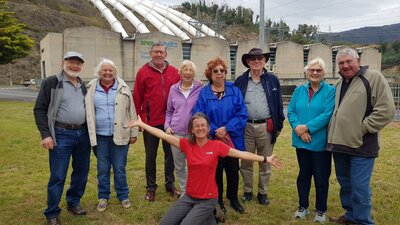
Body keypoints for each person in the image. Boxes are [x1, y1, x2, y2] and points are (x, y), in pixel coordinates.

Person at [129, 112, 281, 225]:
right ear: (192, 130)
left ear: (208, 128)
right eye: (196, 126)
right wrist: (142, 125)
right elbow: (162, 134)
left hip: (208, 198)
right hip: (189, 196)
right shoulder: (187, 145)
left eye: (203, 125)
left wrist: (266, 159)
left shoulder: (217, 146)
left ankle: (212, 211)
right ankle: (210, 216)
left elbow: (241, 154)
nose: (200, 128)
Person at [327, 48, 394, 225]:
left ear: (358, 60)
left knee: (359, 188)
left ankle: (363, 221)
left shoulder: (373, 78)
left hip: (361, 146)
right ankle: (350, 216)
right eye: (341, 63)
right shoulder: (340, 83)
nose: (345, 65)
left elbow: (386, 110)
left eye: (349, 61)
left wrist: (363, 128)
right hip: (340, 145)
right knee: (346, 185)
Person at [34, 51, 91, 225]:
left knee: (81, 172)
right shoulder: (52, 82)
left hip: (82, 134)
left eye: (78, 63)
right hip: (61, 134)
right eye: (71, 62)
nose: (75, 66)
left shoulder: (82, 84)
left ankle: (73, 203)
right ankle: (52, 213)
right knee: (58, 175)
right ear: (63, 62)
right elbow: (39, 109)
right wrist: (46, 135)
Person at [193, 57, 248, 215]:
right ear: (209, 74)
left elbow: (242, 114)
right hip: (212, 139)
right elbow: (199, 114)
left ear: (225, 73)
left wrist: (226, 128)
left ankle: (233, 198)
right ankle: (217, 200)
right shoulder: (204, 93)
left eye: (221, 71)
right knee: (215, 172)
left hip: (231, 139)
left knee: (232, 170)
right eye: (215, 71)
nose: (219, 74)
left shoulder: (234, 91)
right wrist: (216, 130)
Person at [85, 59, 138, 212]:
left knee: (120, 167)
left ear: (115, 72)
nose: (108, 73)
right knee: (102, 168)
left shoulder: (124, 88)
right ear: (99, 72)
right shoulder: (91, 88)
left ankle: (123, 195)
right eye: (104, 70)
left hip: (120, 134)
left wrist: (134, 132)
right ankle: (103, 197)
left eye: (110, 70)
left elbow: (131, 111)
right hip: (100, 136)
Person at [234, 48, 285, 205]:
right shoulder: (240, 80)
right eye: (253, 59)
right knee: (246, 161)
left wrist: (278, 126)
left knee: (265, 161)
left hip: (266, 127)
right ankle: (247, 191)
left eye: (260, 58)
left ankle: (263, 193)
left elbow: (278, 105)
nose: (256, 61)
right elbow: (235, 104)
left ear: (264, 61)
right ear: (248, 62)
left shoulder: (272, 80)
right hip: (246, 127)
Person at [287, 58, 335, 223]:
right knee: (303, 176)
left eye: (318, 70)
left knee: (321, 178)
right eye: (312, 70)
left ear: (324, 73)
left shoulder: (330, 91)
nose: (315, 73)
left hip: (320, 143)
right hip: (302, 142)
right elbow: (291, 111)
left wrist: (307, 128)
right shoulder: (299, 91)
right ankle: (303, 206)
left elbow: (327, 114)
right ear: (307, 72)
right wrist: (299, 130)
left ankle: (321, 209)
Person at [133, 42, 181, 201]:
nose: (158, 55)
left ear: (166, 54)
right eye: (155, 52)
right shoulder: (142, 72)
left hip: (170, 122)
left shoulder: (174, 72)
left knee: (170, 155)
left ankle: (170, 185)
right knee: (150, 156)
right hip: (150, 121)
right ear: (150, 54)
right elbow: (137, 97)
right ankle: (151, 188)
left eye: (161, 52)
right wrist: (139, 120)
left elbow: (183, 90)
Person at [164, 60, 203, 196]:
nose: (188, 73)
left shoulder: (200, 88)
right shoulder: (173, 89)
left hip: (195, 134)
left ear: (194, 73)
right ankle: (185, 192)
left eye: (190, 70)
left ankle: (196, 190)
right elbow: (169, 111)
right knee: (180, 165)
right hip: (177, 134)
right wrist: (167, 126)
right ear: (180, 73)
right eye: (185, 70)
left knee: (196, 165)